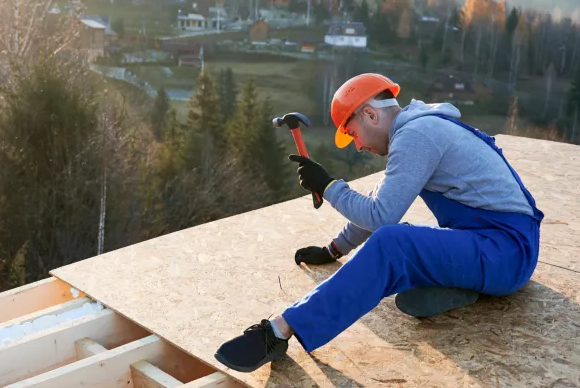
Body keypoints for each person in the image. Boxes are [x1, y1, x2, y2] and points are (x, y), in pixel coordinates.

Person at [214, 73, 543, 372]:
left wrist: (328, 187)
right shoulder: (416, 130)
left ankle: (279, 331)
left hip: (508, 251)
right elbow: (379, 202)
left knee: (394, 243)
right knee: (403, 243)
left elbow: (382, 215)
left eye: (353, 134)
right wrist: (334, 249)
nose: (359, 146)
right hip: (494, 246)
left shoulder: (417, 135)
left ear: (370, 114)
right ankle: (465, 286)